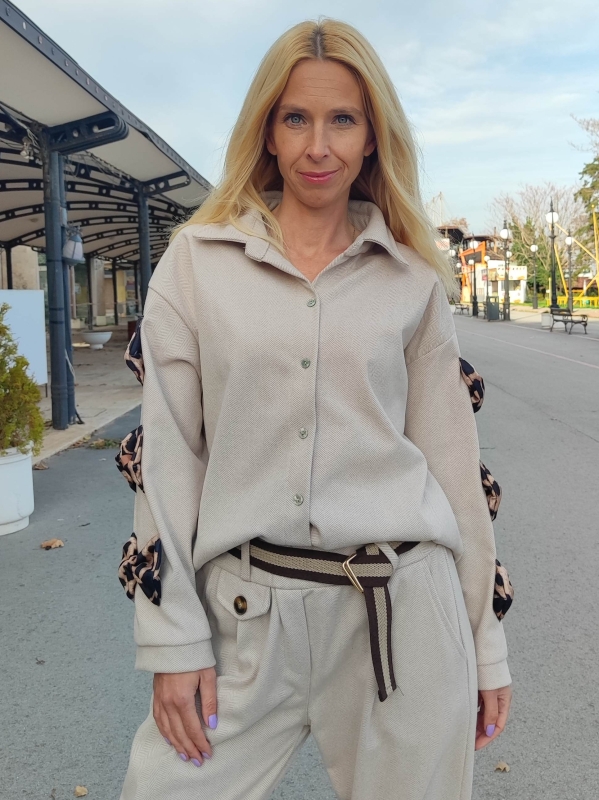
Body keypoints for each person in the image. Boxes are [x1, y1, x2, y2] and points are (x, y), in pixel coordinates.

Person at [117, 17, 512, 800]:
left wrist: (485, 642)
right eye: (296, 118)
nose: (317, 146)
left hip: (402, 616)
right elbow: (165, 462)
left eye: (342, 120)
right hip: (242, 622)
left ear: (372, 137)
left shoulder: (412, 281)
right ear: (267, 130)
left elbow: (453, 472)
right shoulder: (196, 266)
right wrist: (172, 638)